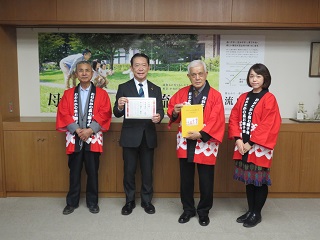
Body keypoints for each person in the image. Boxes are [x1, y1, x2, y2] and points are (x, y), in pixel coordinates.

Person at [167, 60, 225, 226]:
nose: (197, 77)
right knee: (185, 179)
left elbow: (217, 118)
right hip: (185, 142)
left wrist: (201, 134)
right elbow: (172, 110)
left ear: (206, 74)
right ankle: (188, 209)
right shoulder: (182, 93)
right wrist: (175, 111)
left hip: (205, 142)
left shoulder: (215, 95)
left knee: (206, 180)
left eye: (201, 73)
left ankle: (204, 211)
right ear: (189, 76)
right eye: (194, 74)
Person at [228, 63, 281, 228]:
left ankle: (257, 213)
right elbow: (234, 117)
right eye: (252, 76)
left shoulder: (269, 98)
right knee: (249, 180)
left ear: (265, 78)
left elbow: (269, 123)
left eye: (258, 76)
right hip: (242, 144)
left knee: (259, 180)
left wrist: (250, 143)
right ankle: (250, 210)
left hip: (259, 146)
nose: (254, 79)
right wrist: (238, 139)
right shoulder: (243, 96)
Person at [56, 60, 112, 215]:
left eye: (87, 70)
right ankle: (71, 202)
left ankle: (92, 202)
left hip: (92, 138)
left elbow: (105, 112)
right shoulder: (68, 94)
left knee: (93, 171)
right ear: (76, 73)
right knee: (74, 171)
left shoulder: (102, 94)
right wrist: (77, 129)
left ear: (92, 73)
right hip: (74, 138)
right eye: (81, 70)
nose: (84, 73)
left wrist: (90, 130)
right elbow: (64, 113)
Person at [113, 53, 164, 216]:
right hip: (129, 137)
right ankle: (129, 201)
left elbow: (160, 111)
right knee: (129, 171)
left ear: (149, 67)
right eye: (137, 65)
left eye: (144, 65)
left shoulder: (156, 89)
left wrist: (159, 117)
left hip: (148, 136)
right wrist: (120, 106)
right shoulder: (124, 87)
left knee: (148, 171)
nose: (140, 68)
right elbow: (117, 112)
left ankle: (147, 201)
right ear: (131, 68)